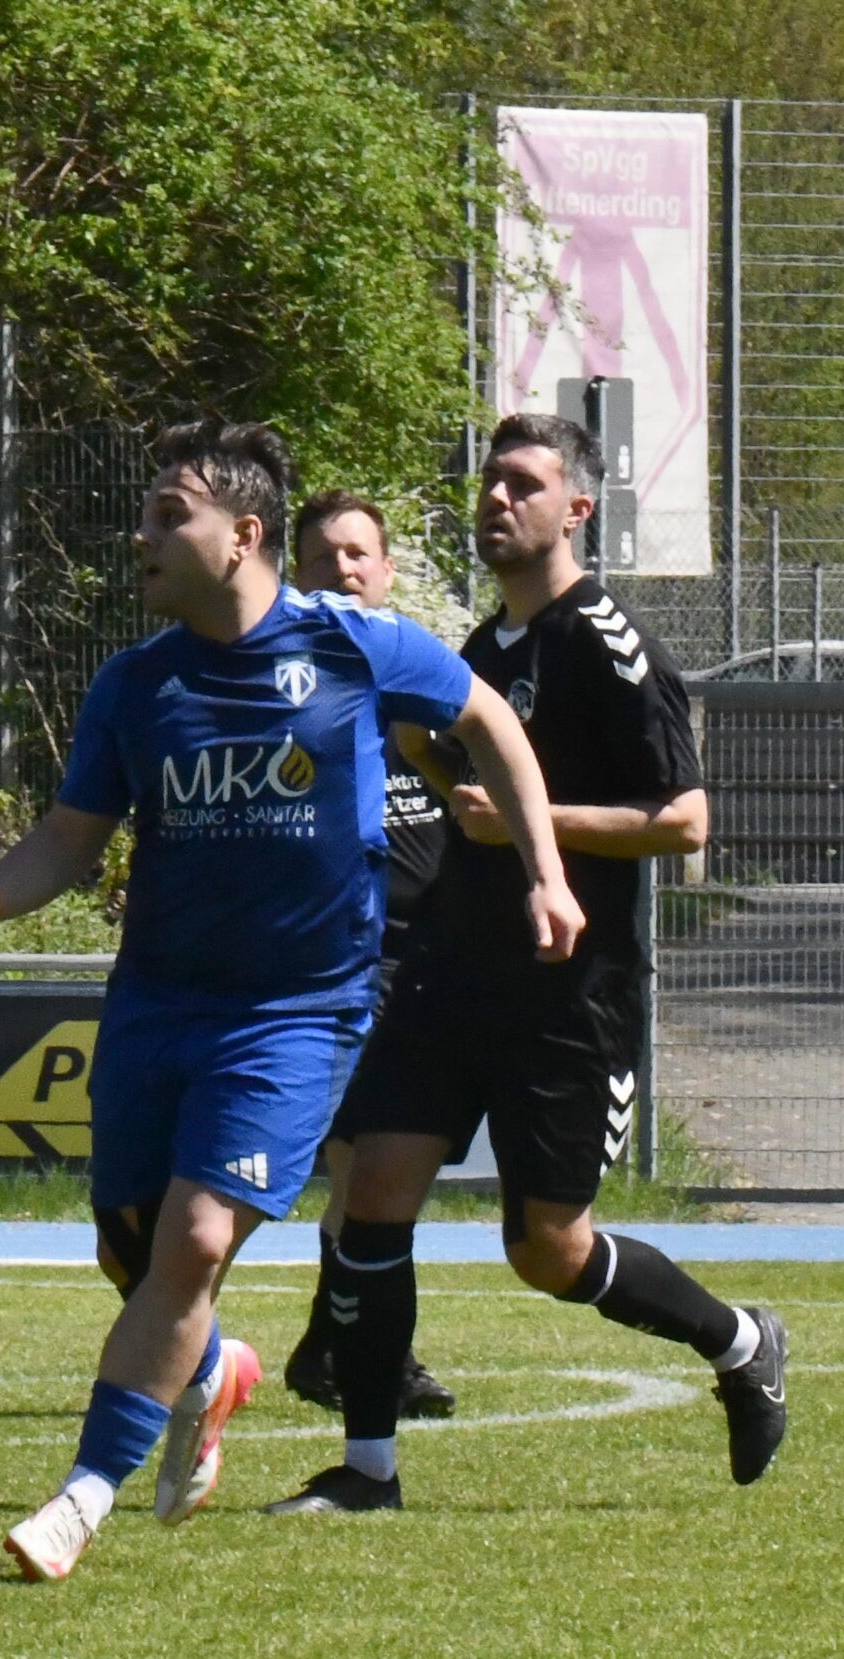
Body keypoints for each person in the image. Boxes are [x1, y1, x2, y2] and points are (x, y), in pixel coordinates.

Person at [0, 420, 580, 1582]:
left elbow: (491, 722)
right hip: (158, 1006)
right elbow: (67, 839)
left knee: (197, 1237)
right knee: (134, 1254)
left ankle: (79, 1497)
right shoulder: (134, 685)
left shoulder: (352, 641)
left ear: (243, 535)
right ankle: (211, 1369)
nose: (141, 536)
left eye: (169, 515)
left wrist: (545, 870)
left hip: (298, 1010)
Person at [266, 413, 788, 1519]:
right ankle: (367, 1470)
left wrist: (530, 824)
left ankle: (740, 1340)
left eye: (522, 483)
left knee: (547, 1250)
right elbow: (465, 779)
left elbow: (685, 820)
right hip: (452, 972)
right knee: (372, 1194)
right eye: (489, 482)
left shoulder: (607, 642)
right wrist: (423, 750)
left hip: (568, 993)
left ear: (576, 508)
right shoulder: (484, 648)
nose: (496, 499)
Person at [280, 490, 454, 1422]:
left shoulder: (433, 685)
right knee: (367, 1172)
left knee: (373, 1178)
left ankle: (328, 1343)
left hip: (433, 969)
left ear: (386, 571)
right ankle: (369, 1353)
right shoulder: (289, 692)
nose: (343, 569)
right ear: (294, 575)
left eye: (359, 554)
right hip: (346, 966)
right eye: (323, 556)